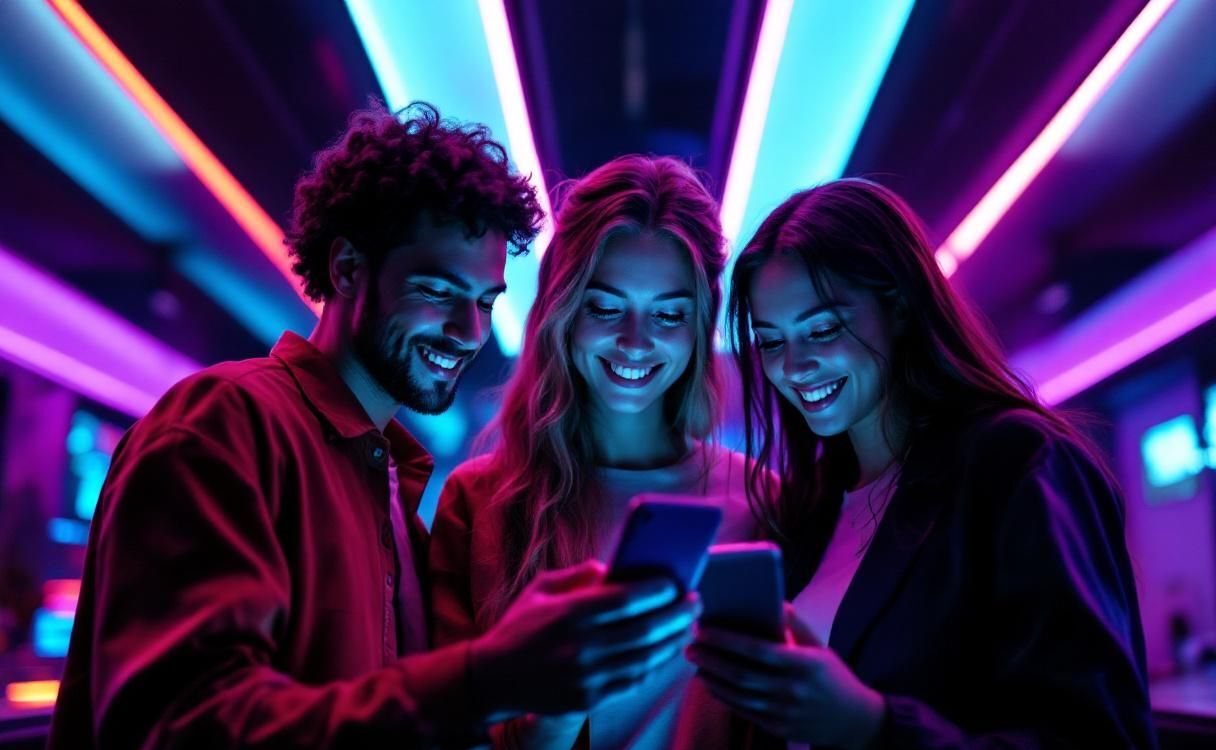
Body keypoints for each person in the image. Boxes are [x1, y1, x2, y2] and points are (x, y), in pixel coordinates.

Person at [48, 103, 700, 749]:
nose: (470, 333)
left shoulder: (390, 485)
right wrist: (488, 678)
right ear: (347, 269)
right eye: (439, 292)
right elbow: (180, 728)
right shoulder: (224, 428)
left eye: (484, 302)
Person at [685, 179, 1157, 749]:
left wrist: (873, 727)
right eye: (770, 341)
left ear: (901, 308)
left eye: (824, 330)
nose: (794, 366)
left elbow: (1103, 737)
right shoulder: (808, 509)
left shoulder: (1015, 461)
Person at [429, 155, 760, 749]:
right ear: (562, 312)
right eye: (606, 308)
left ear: (699, 324)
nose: (636, 341)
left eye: (668, 314)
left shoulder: (760, 500)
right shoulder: (477, 500)